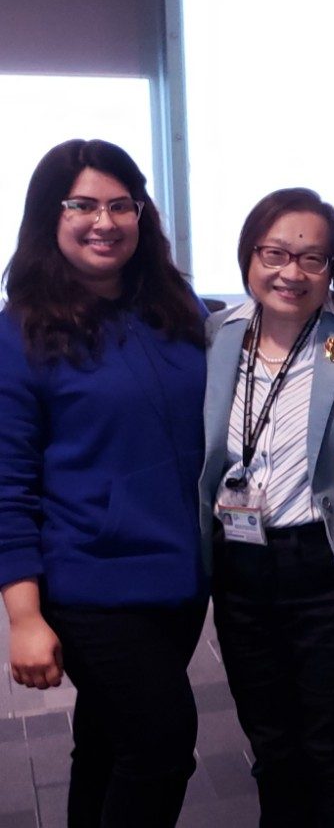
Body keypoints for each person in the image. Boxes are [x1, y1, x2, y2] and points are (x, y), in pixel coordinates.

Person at [0, 139, 207, 827]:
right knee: (161, 745)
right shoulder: (20, 332)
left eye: (123, 205)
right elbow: (8, 483)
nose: (106, 221)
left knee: (108, 743)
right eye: (83, 204)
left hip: (182, 579)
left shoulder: (181, 314)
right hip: (91, 582)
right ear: (49, 217)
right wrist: (24, 617)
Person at [199, 189, 334, 826]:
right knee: (270, 742)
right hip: (239, 566)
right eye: (275, 252)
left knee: (328, 742)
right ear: (250, 254)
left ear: (332, 268)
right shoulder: (218, 338)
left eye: (313, 259)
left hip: (321, 566)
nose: (291, 272)